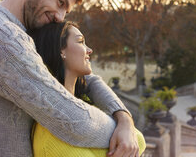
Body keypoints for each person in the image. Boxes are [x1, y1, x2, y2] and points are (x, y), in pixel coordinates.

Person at [0, 0, 139, 157]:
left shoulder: (26, 34)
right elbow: (70, 118)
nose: (60, 17)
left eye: (66, 10)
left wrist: (124, 118)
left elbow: (87, 79)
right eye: (60, 2)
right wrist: (132, 136)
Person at [30, 21, 146, 156]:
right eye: (80, 42)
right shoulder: (51, 137)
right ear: (60, 50)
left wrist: (125, 121)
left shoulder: (89, 105)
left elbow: (137, 139)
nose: (89, 50)